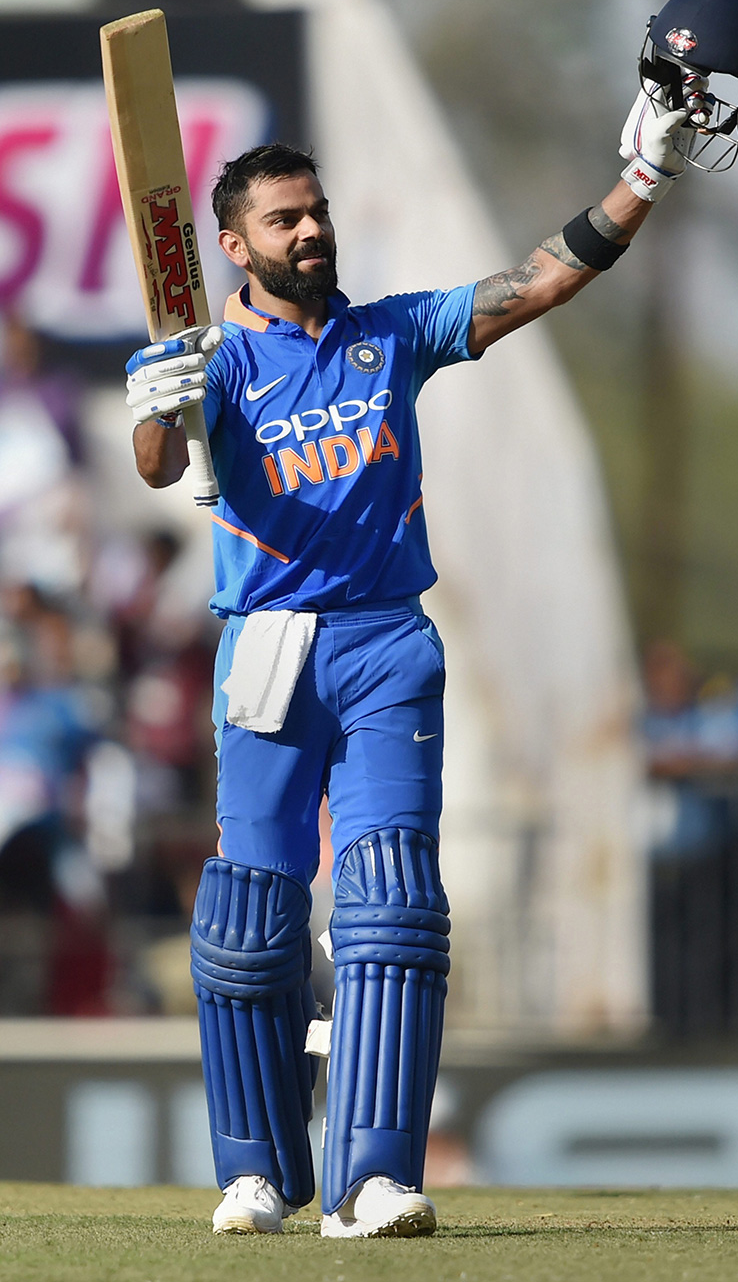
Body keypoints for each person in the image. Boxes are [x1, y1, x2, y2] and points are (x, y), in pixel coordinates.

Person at [123, 81, 702, 1238]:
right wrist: (155, 402)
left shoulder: (388, 332)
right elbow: (156, 464)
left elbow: (539, 280)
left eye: (317, 210)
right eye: (284, 219)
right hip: (269, 650)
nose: (310, 230)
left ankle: (370, 1179)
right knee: (247, 920)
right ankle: (257, 1171)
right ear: (233, 246)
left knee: (389, 904)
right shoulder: (213, 362)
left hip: (387, 641)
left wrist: (642, 175)